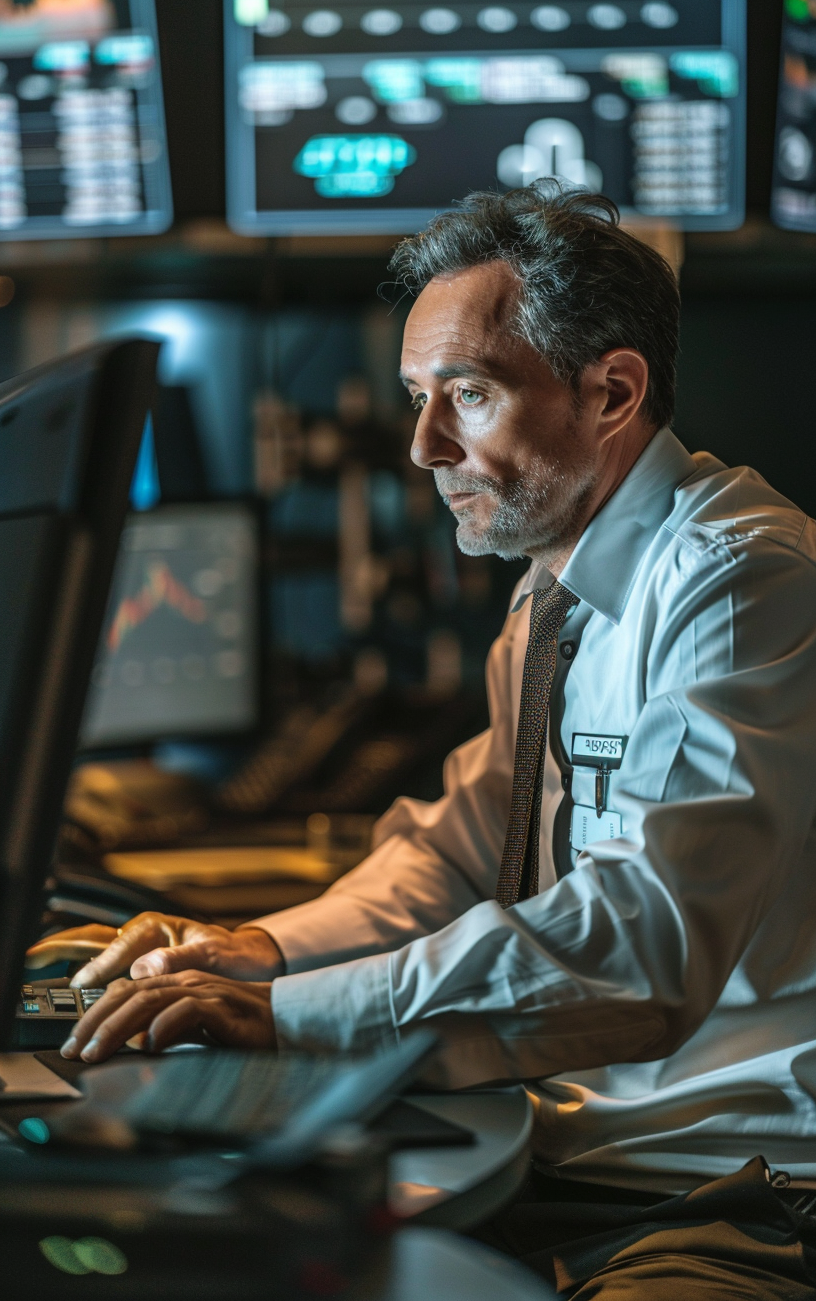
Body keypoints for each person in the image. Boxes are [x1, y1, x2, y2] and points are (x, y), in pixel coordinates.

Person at [29, 183, 816, 1297]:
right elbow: (456, 850)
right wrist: (263, 950)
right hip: (569, 1147)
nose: (423, 443)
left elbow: (645, 946)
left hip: (724, 1185)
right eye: (416, 396)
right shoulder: (554, 598)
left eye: (470, 394)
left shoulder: (741, 581)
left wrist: (287, 1015)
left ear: (613, 392)